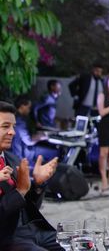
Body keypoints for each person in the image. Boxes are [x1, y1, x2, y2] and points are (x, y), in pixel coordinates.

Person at [0, 101, 62, 251]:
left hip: (33, 230)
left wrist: (38, 185)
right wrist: (20, 190)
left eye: (13, 126)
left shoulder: (12, 159)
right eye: (5, 126)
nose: (13, 132)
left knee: (81, 244)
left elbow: (28, 205)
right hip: (6, 237)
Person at [10, 95, 59, 167]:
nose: (29, 110)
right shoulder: (19, 121)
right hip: (25, 153)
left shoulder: (15, 117)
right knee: (55, 153)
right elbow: (29, 141)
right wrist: (44, 136)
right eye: (28, 108)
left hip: (22, 151)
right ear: (22, 106)